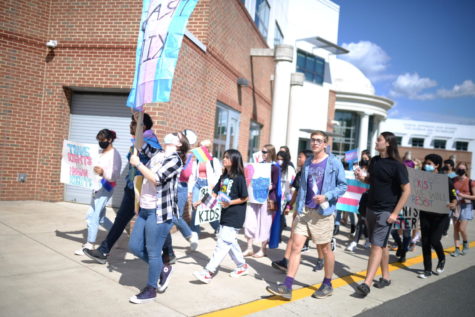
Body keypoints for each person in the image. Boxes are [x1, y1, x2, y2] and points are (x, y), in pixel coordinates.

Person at [266, 131, 347, 300]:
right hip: (305, 212)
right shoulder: (309, 162)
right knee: (296, 247)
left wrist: (327, 196)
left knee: (325, 249)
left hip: (323, 213)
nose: (315, 143)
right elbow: (303, 188)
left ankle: (327, 284)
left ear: (325, 143)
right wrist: (297, 207)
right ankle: (287, 286)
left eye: (319, 140)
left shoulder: (333, 162)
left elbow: (343, 186)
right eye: (313, 140)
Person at [83, 114, 161, 262]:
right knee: (120, 220)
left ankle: (168, 253)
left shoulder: (152, 142)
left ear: (142, 127)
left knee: (152, 222)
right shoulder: (137, 142)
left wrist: (140, 145)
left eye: (134, 124)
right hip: (132, 187)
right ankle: (103, 251)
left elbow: (154, 156)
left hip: (144, 190)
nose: (130, 127)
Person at [128, 132, 189, 304]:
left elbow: (156, 179)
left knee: (154, 252)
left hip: (159, 212)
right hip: (145, 209)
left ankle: (151, 289)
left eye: (176, 135)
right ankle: (163, 269)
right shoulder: (158, 153)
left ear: (179, 144)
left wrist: (138, 164)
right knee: (134, 246)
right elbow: (139, 142)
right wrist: (137, 119)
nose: (171, 134)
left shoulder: (176, 161)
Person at [355, 131, 411, 297]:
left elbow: (406, 191)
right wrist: (361, 178)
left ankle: (367, 283)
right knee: (382, 244)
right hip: (371, 208)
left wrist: (395, 213)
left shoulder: (398, 166)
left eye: (379, 140)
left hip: (386, 211)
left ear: (387, 143)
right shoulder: (375, 160)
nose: (376, 142)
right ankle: (386, 277)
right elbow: (371, 181)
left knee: (375, 245)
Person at [193, 149, 250, 283]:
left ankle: (208, 272)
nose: (224, 159)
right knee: (231, 242)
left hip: (235, 215)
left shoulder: (239, 178)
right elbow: (214, 193)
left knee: (223, 243)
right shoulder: (223, 177)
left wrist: (229, 202)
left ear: (234, 161)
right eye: (224, 157)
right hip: (225, 214)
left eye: (227, 158)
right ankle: (242, 266)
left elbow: (245, 197)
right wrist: (200, 202)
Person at [272, 150, 323, 272]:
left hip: (314, 210)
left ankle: (321, 259)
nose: (298, 159)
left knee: (318, 238)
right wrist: (290, 206)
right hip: (300, 209)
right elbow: (296, 191)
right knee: (292, 236)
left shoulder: (316, 173)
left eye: (300, 157)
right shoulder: (300, 173)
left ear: (308, 159)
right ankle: (285, 261)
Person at [75, 129, 122, 255]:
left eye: (103, 140)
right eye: (99, 140)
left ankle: (89, 245)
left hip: (106, 187)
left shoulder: (114, 154)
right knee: (100, 218)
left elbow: (115, 174)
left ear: (110, 140)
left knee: (92, 216)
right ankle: (115, 237)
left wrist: (103, 173)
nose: (100, 142)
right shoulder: (101, 153)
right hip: (97, 187)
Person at [418, 154, 457, 279]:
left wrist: (453, 204)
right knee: (425, 242)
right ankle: (427, 270)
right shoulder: (421, 178)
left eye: (429, 163)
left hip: (440, 216)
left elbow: (453, 196)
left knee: (434, 240)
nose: (426, 165)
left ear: (436, 165)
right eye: (425, 163)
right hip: (425, 214)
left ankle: (441, 258)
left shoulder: (444, 180)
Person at [243, 144, 281, 257]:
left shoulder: (275, 167)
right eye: (262, 151)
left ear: (270, 153)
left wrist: (269, 186)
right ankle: (249, 247)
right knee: (250, 222)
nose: (262, 154)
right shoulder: (257, 165)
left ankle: (263, 249)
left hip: (267, 199)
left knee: (265, 224)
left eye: (265, 152)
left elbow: (275, 183)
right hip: (254, 196)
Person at [189, 140, 223, 237]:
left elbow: (219, 176)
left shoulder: (213, 160)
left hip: (209, 185)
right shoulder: (197, 160)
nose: (200, 148)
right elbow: (193, 175)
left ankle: (217, 228)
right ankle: (194, 232)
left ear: (208, 148)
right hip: (198, 184)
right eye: (199, 146)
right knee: (195, 206)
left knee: (209, 208)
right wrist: (190, 190)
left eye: (203, 147)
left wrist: (214, 187)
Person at [450, 162, 475, 256]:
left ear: (466, 170)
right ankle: (457, 249)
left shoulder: (470, 181)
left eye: (463, 169)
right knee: (456, 229)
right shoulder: (452, 180)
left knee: (462, 228)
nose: (461, 170)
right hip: (456, 205)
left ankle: (465, 243)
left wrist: (463, 195)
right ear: (456, 169)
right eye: (459, 168)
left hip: (466, 206)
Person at [276, 150, 296, 238]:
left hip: (284, 195)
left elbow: (292, 183)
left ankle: (278, 235)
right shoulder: (275, 167)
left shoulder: (290, 169)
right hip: (274, 194)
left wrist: (288, 198)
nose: (279, 161)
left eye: (281, 159)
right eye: (278, 159)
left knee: (280, 216)